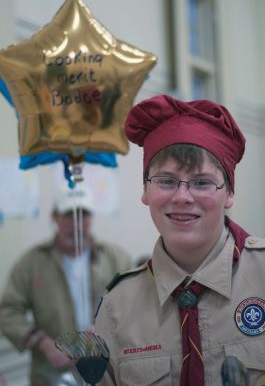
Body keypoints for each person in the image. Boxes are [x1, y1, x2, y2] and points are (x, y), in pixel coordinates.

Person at [95, 95, 265, 386]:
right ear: (146, 191)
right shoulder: (117, 308)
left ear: (230, 194)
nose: (183, 197)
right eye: (166, 181)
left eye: (202, 182)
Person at [0, 187, 132, 386]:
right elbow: (8, 311)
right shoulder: (32, 263)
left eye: (83, 215)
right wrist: (43, 344)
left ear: (92, 218)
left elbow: (135, 304)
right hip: (50, 375)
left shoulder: (116, 258)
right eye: (69, 216)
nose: (76, 224)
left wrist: (105, 328)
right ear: (54, 217)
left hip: (109, 372)